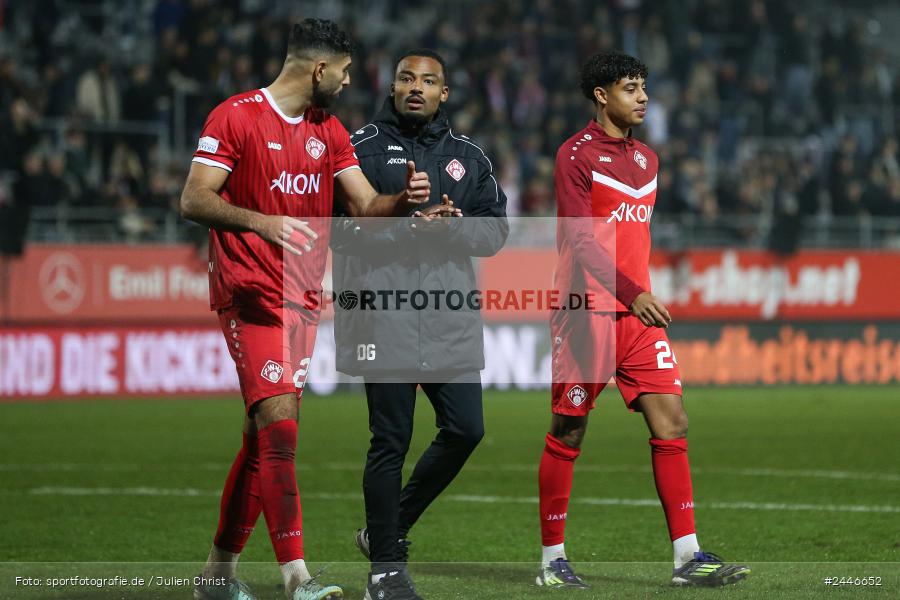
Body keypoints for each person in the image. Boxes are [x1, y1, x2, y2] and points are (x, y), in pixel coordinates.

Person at [179, 19, 435, 600]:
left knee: (259, 437)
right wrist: (260, 221)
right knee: (282, 428)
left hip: (301, 299)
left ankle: (217, 578)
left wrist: (404, 204)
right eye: (344, 72)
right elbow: (193, 198)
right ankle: (297, 578)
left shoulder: (330, 131)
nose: (348, 82)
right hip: (249, 294)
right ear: (319, 69)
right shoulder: (236, 116)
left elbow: (366, 204)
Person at [535, 52, 750, 588]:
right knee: (570, 428)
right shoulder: (574, 155)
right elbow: (582, 242)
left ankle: (687, 558)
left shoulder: (648, 161)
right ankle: (552, 562)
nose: (644, 97)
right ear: (601, 95)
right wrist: (634, 293)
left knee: (672, 422)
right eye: (631, 88)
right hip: (586, 312)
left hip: (634, 317)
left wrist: (635, 298)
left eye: (645, 87)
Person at [330, 49, 508, 600]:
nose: (416, 87)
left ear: (443, 93)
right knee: (390, 440)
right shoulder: (357, 150)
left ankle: (387, 529)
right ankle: (385, 571)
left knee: (466, 429)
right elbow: (336, 233)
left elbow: (495, 233)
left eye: (428, 81)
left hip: (450, 321)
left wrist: (447, 232)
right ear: (392, 87)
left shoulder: (467, 157)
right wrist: (407, 223)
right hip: (384, 319)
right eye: (407, 78)